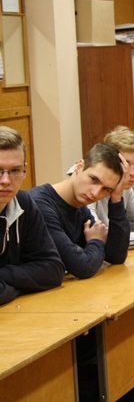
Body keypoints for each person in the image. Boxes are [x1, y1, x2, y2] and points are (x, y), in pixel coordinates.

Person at [29, 143, 129, 279]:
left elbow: (116, 256)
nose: (95, 193)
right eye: (94, 180)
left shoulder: (80, 208)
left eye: (106, 189)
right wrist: (96, 240)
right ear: (79, 166)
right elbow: (83, 266)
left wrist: (116, 197)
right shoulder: (39, 205)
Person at [0, 126, 64, 305]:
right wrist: (22, 283)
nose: (6, 181)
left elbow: (53, 270)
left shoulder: (23, 202)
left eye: (15, 171)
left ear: (25, 170)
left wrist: (5, 278)